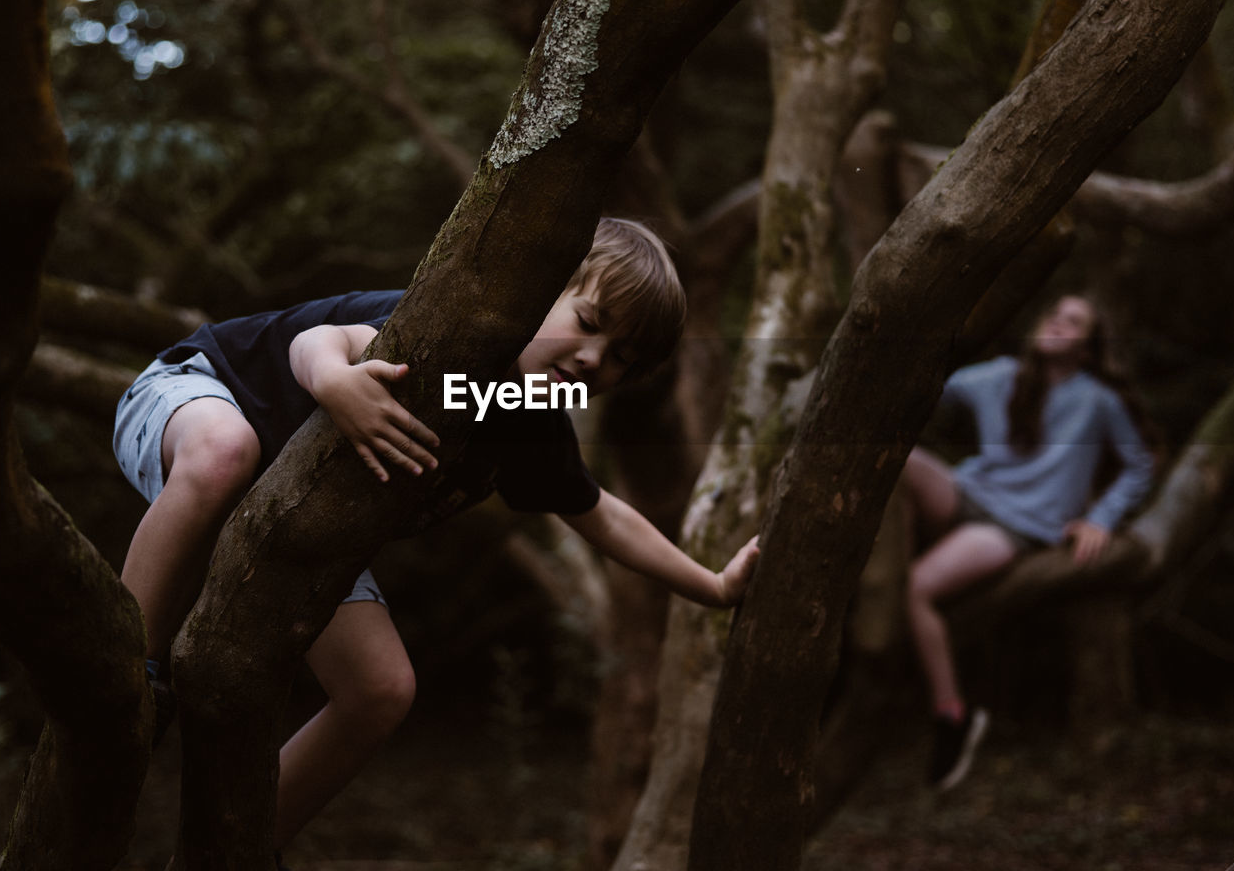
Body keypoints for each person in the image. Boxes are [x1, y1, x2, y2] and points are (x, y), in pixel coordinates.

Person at [113, 217, 759, 855]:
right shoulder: (452, 335)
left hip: (294, 522)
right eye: (589, 323)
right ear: (539, 289)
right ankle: (126, 669)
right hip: (192, 395)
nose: (594, 358)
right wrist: (336, 383)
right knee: (227, 450)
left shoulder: (523, 421)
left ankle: (237, 849)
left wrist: (713, 585)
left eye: (622, 357)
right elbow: (317, 341)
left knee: (381, 689)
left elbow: (602, 514)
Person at [901, 294, 1155, 792]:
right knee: (898, 459)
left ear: (1088, 346)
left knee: (915, 589)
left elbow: (1140, 462)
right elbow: (925, 388)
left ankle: (952, 713)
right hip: (966, 494)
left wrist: (1100, 518)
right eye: (1055, 314)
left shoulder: (1097, 400)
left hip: (1014, 527)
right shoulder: (999, 375)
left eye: (1074, 321)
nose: (1059, 322)